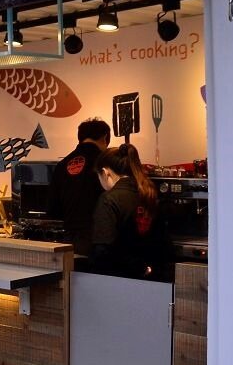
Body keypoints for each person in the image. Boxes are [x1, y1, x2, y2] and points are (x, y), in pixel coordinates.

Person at [89, 142, 168, 280]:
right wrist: (146, 268)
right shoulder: (149, 194)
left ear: (106, 173)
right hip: (152, 278)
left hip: (118, 279)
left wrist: (138, 267)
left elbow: (103, 250)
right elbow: (162, 242)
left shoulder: (109, 199)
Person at [48, 118, 111, 255]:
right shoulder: (106, 164)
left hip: (69, 240)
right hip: (99, 241)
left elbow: (53, 208)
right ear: (105, 137)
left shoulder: (62, 165)